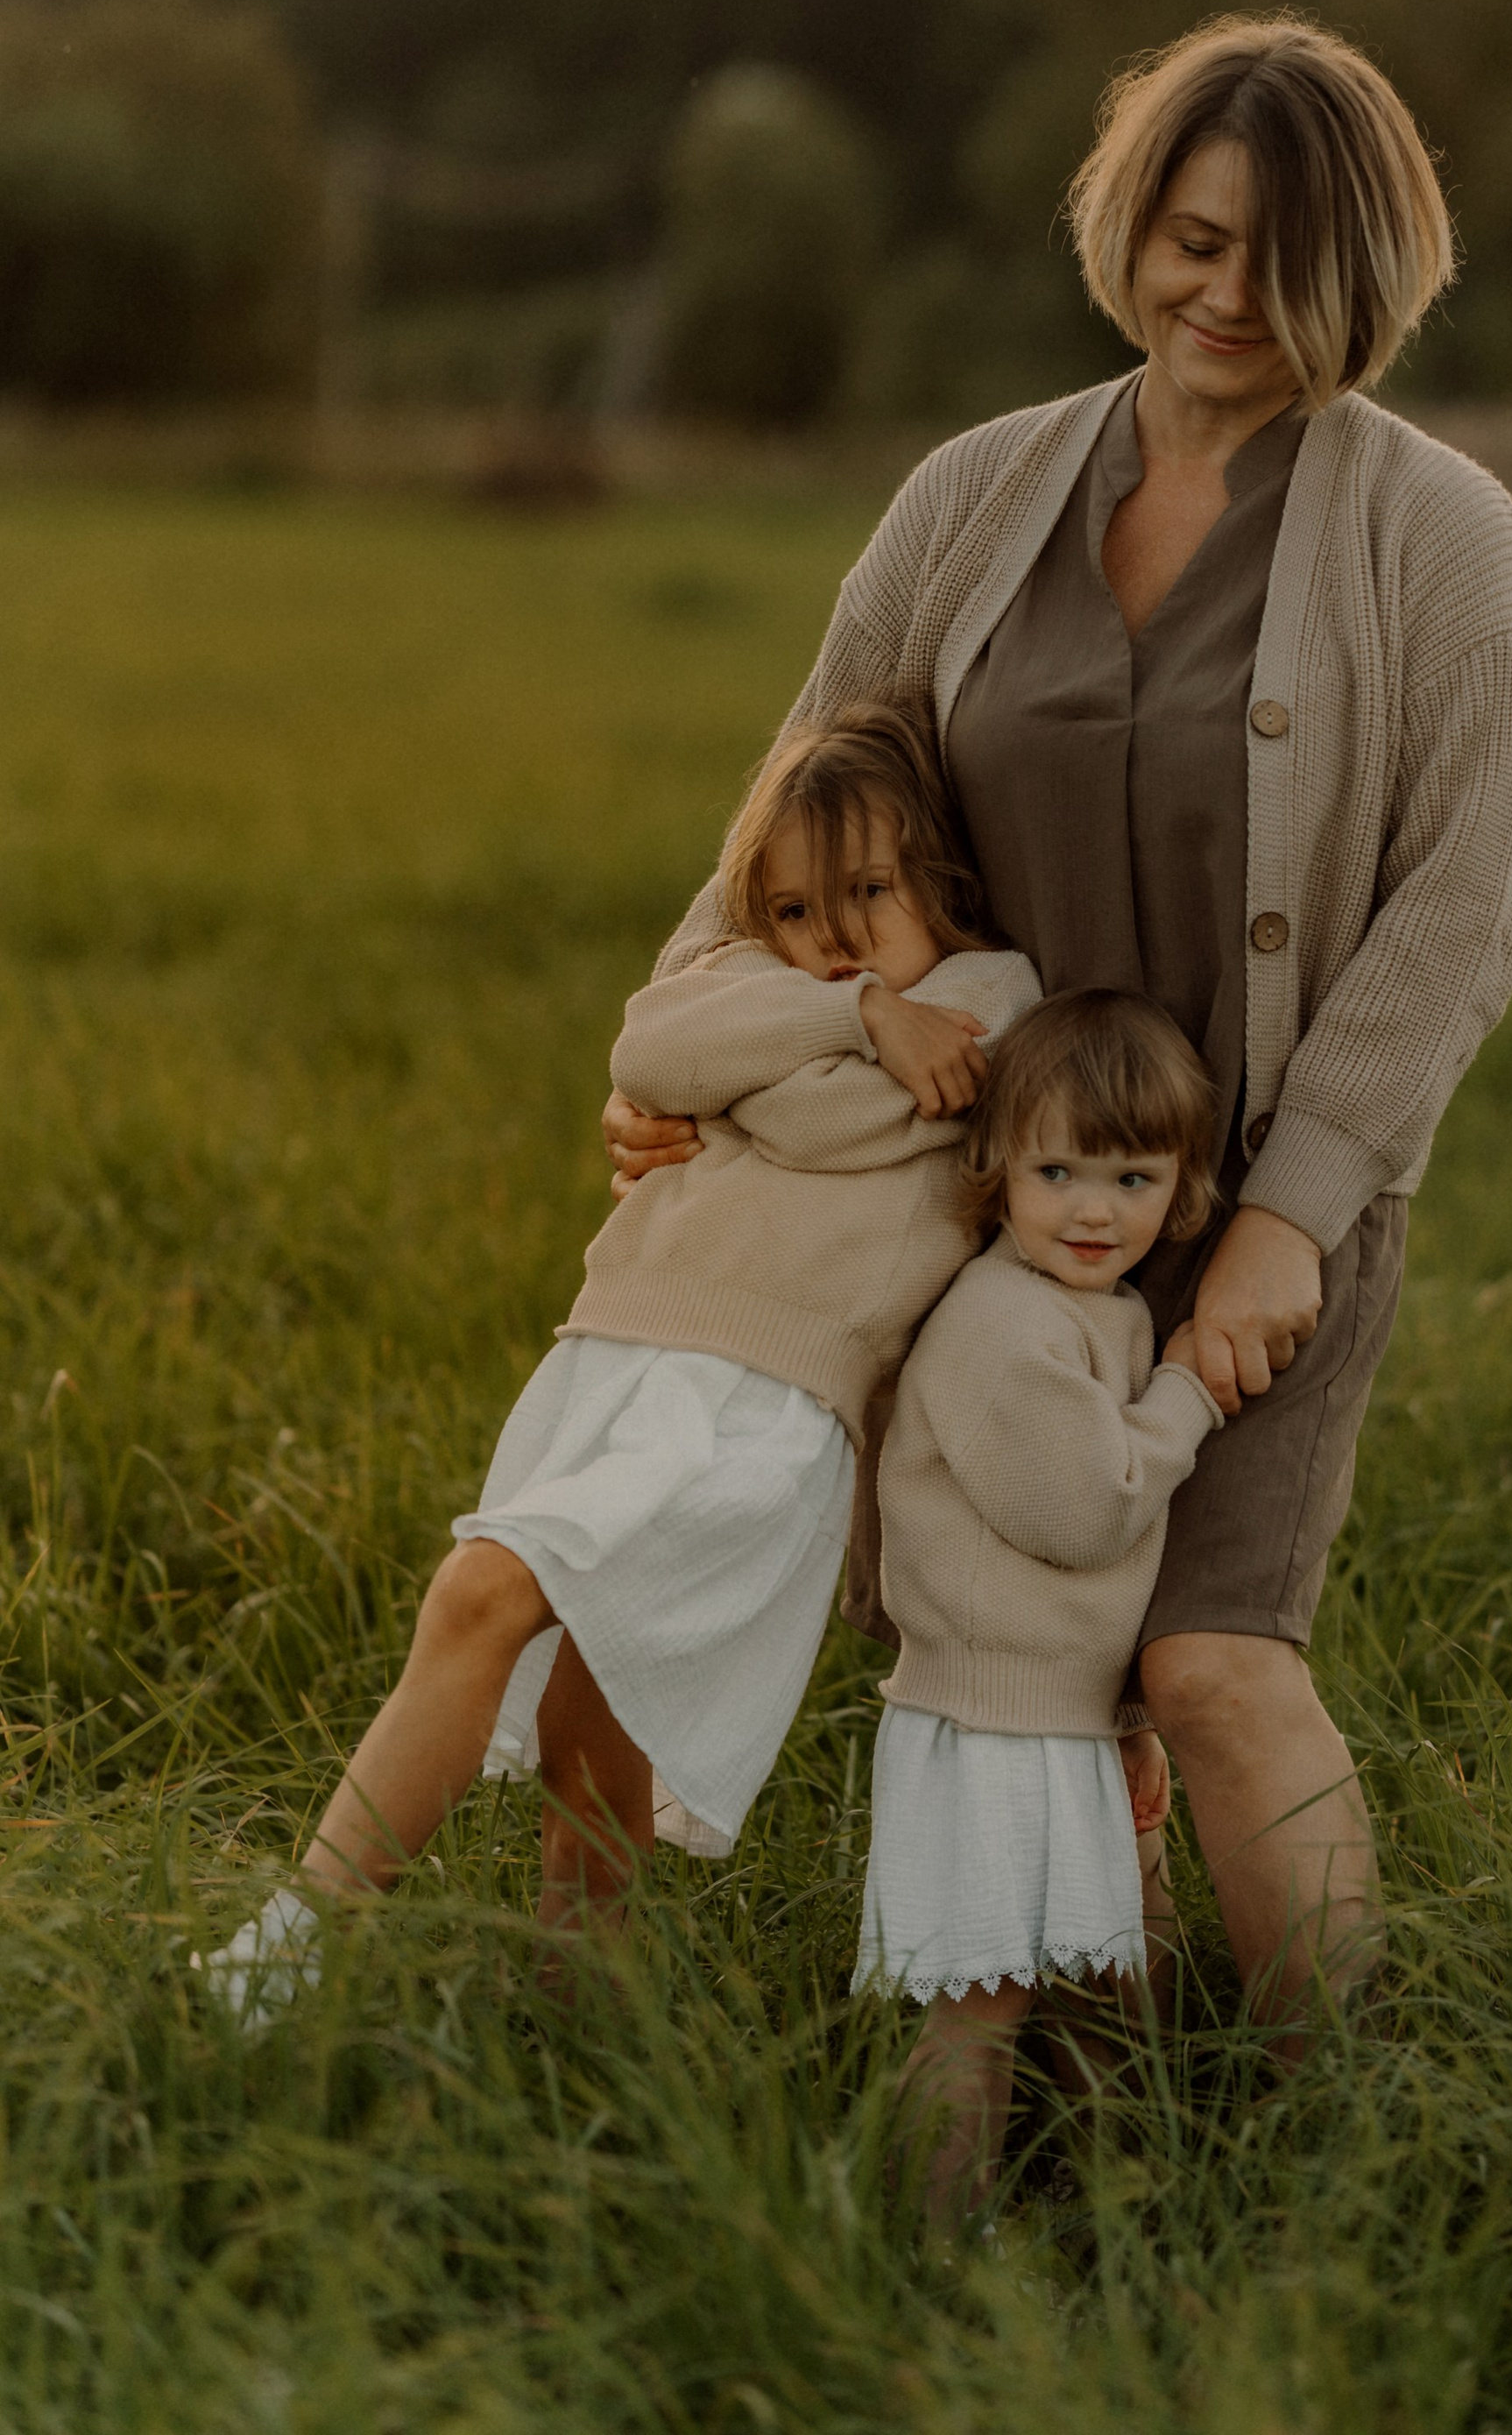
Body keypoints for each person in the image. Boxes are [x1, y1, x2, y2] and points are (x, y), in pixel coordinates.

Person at [609, 12, 1512, 2044]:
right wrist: (679, 1043)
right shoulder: (974, 494)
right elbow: (809, 792)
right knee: (1009, 1649)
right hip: (967, 1191)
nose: (1222, 296)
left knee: (1209, 1661)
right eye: (1189, 238)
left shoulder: (1446, 544)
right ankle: (1073, 2070)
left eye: (1278, 261)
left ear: (1367, 273)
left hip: (1251, 1209)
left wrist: (1295, 1210)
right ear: (1130, 223)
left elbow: (1454, 918)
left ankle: (1348, 2120)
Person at [202, 704, 1038, 2022]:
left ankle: (285, 1954)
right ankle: (575, 2024)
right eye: (796, 913)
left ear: (940, 876)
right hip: (615, 1364)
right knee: (593, 1750)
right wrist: (866, 1008)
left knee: (480, 1597)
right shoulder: (842, 994)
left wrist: (788, 1047)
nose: (831, 943)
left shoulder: (991, 996)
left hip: (760, 1405)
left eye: (871, 896)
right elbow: (652, 1048)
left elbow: (822, 1120)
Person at [854, 989, 1230, 2225]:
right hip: (990, 1722)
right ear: (999, 1171)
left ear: (1179, 1189)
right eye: (1057, 1169)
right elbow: (1087, 1510)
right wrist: (1186, 1393)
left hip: (1058, 1714)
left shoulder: (1101, 1313)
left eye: (1130, 1177)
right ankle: (928, 2248)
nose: (1090, 1209)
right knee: (979, 2008)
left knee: (1110, 1980)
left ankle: (1113, 2216)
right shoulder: (1003, 1323)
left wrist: (1127, 1716)